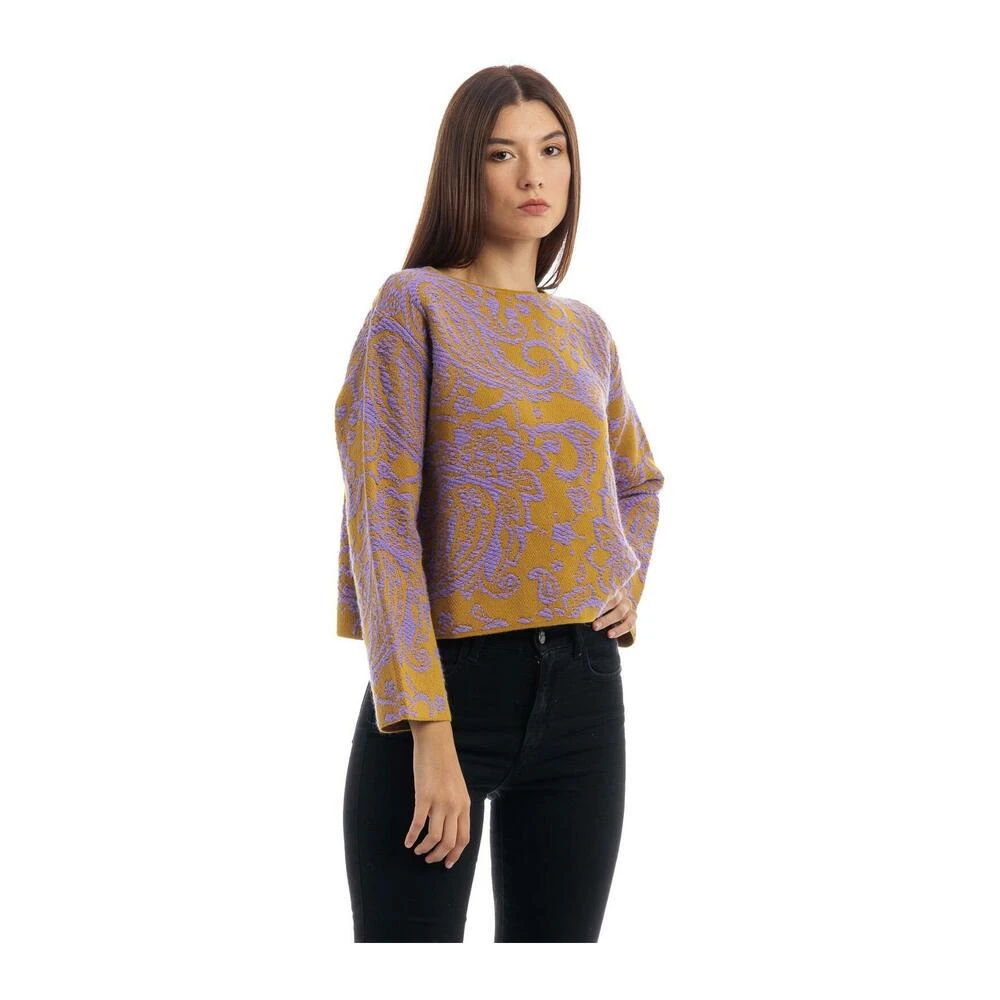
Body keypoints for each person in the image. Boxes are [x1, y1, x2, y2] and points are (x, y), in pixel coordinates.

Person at [334, 65, 665, 942]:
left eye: (552, 151)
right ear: (463, 169)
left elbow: (638, 480)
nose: (533, 176)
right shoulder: (414, 306)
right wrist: (428, 731)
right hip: (445, 690)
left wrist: (626, 581)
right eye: (502, 154)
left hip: (586, 690)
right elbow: (382, 525)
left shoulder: (585, 330)